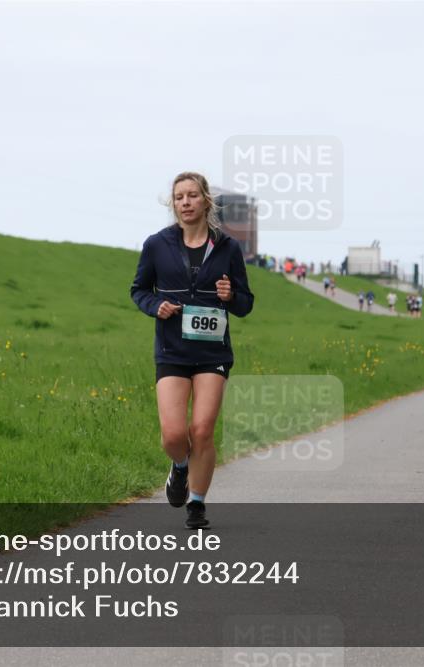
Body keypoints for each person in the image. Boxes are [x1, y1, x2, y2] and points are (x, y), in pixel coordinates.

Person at [130, 172, 254, 529]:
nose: (185, 202)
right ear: (174, 204)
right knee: (173, 435)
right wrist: (157, 307)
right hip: (172, 350)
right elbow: (139, 289)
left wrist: (232, 296)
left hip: (213, 354)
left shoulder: (227, 247)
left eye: (192, 196)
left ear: (206, 201)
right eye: (179, 197)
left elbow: (245, 304)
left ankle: (197, 505)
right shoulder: (157, 244)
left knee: (201, 430)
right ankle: (180, 468)